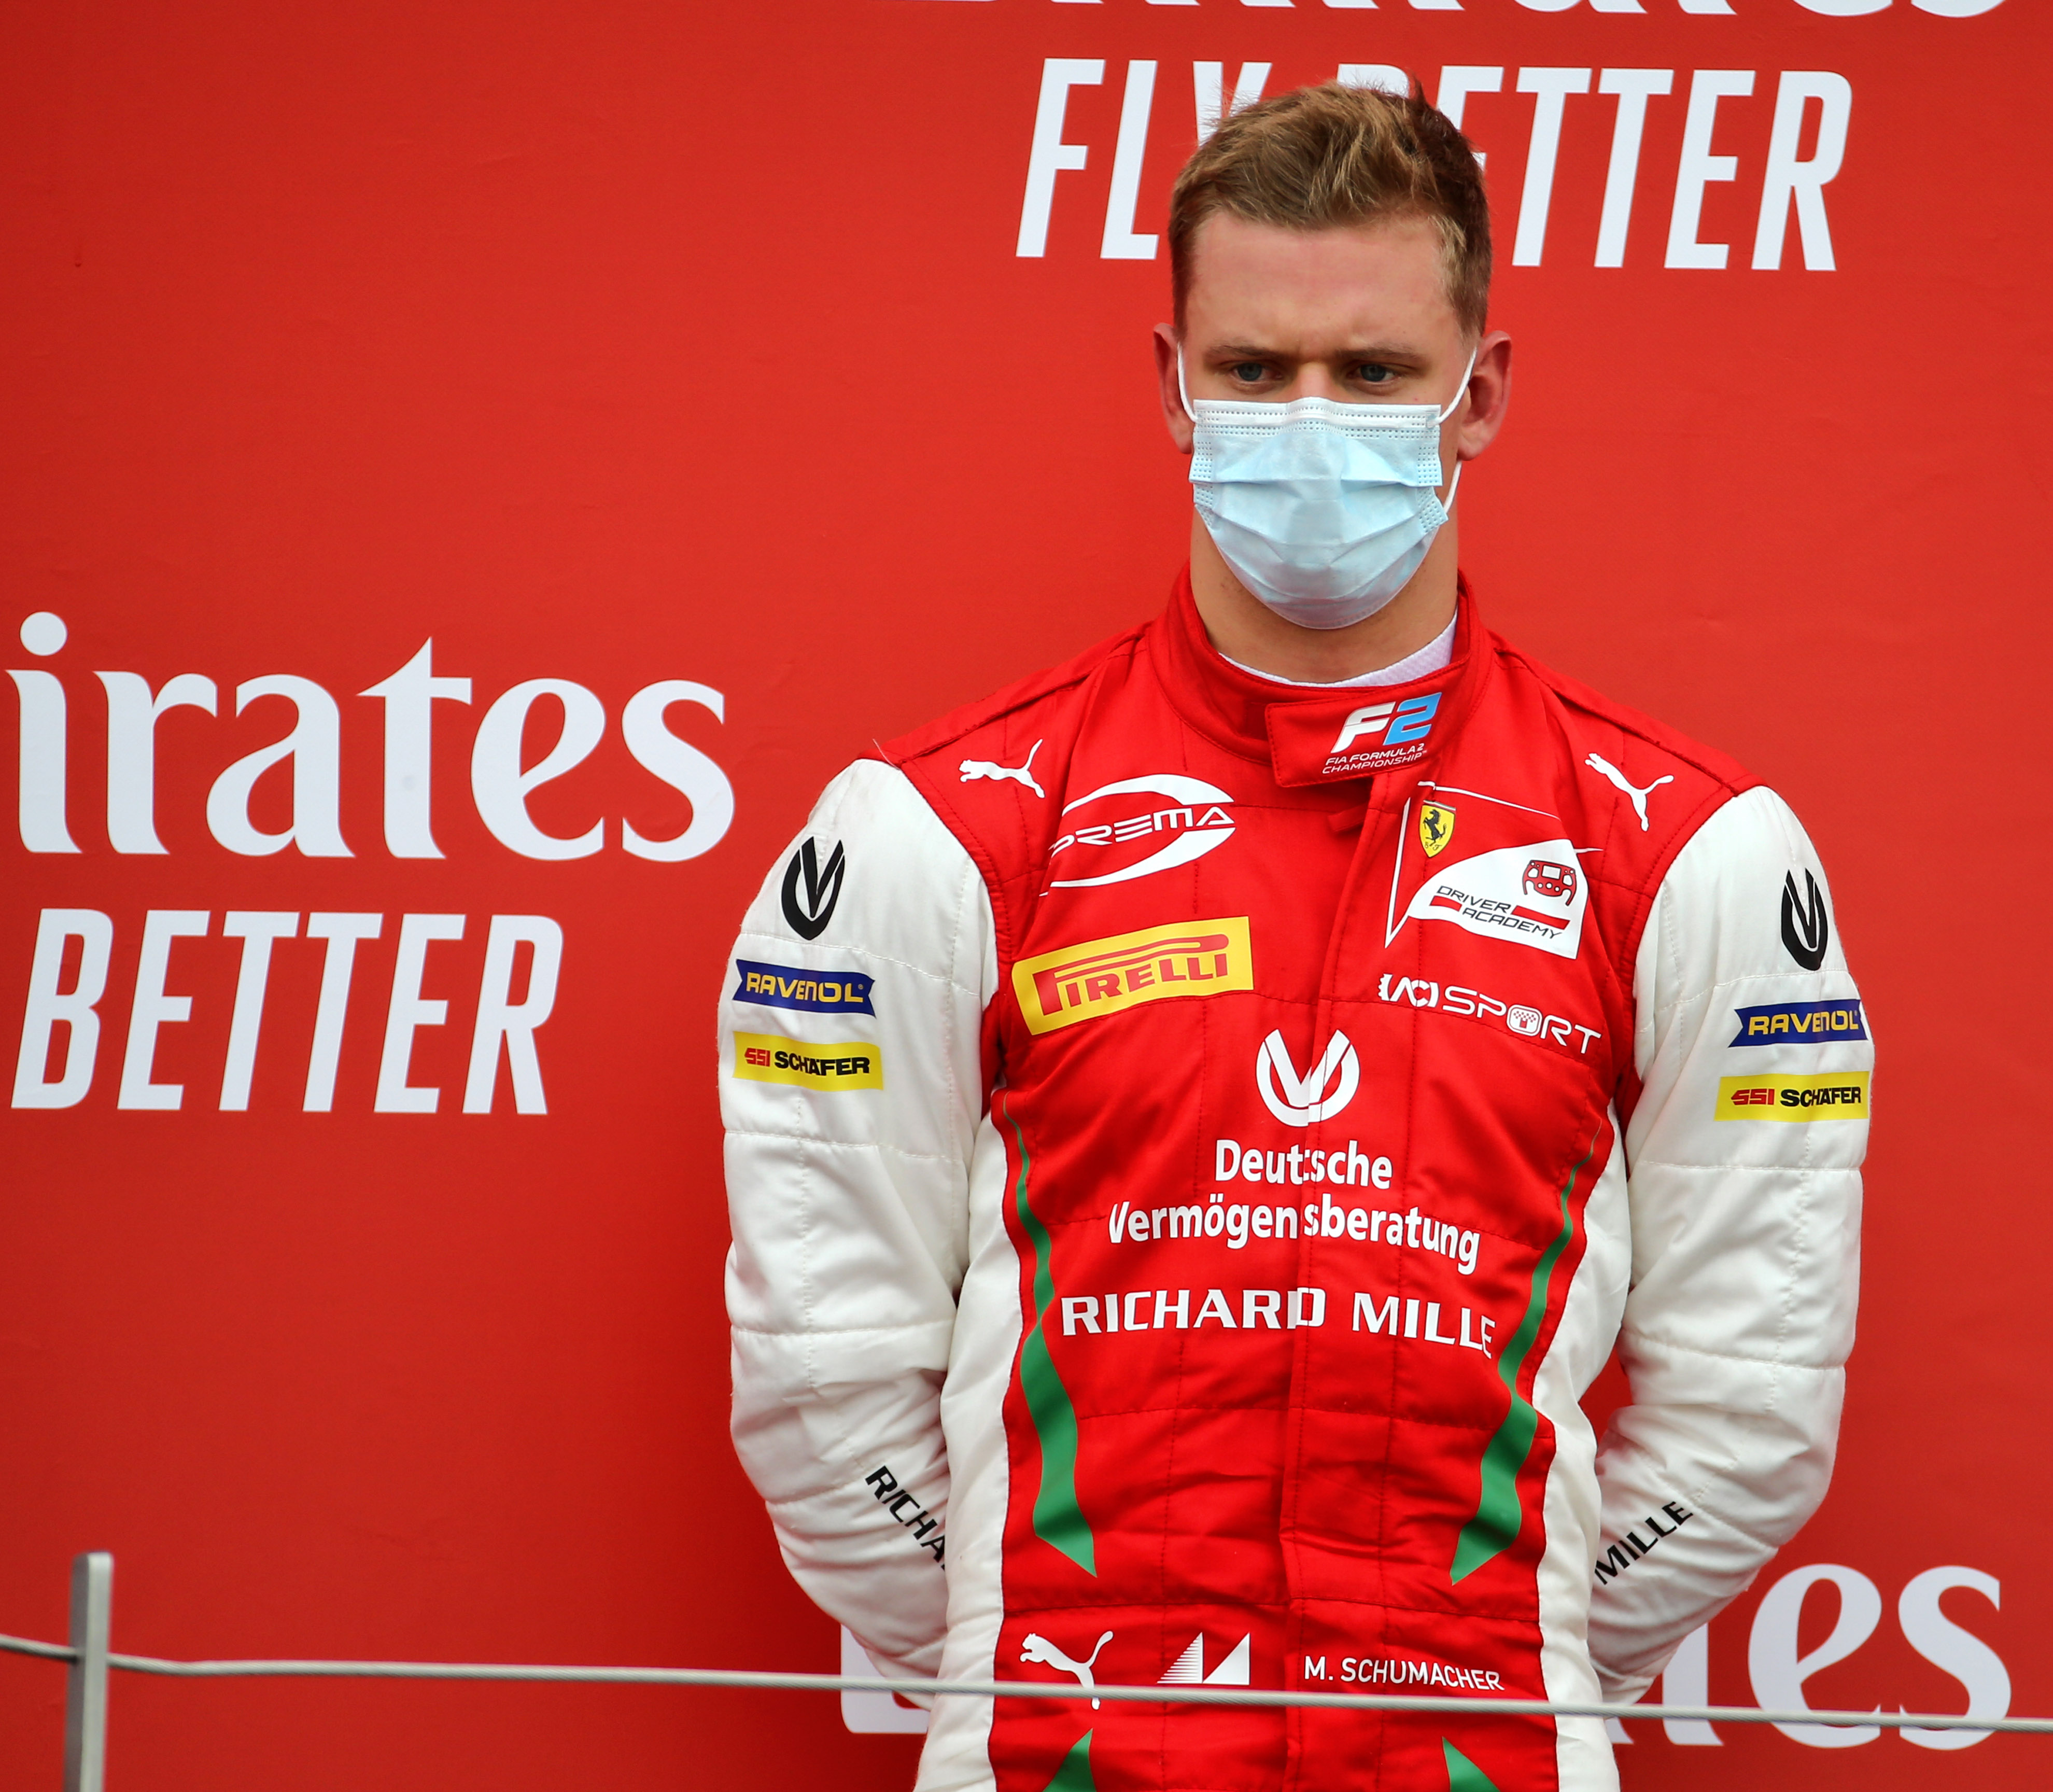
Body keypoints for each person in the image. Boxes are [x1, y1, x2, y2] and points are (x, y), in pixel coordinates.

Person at [719, 82, 1868, 1792]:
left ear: (1479, 396)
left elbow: (1753, 1406)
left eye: (1376, 373)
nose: (1311, 420)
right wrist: (1029, 1655)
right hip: (1058, 1751)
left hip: (1482, 1751)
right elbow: (825, 1380)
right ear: (1171, 383)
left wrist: (1509, 1643)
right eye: (1256, 372)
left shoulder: (1692, 850)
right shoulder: (932, 826)